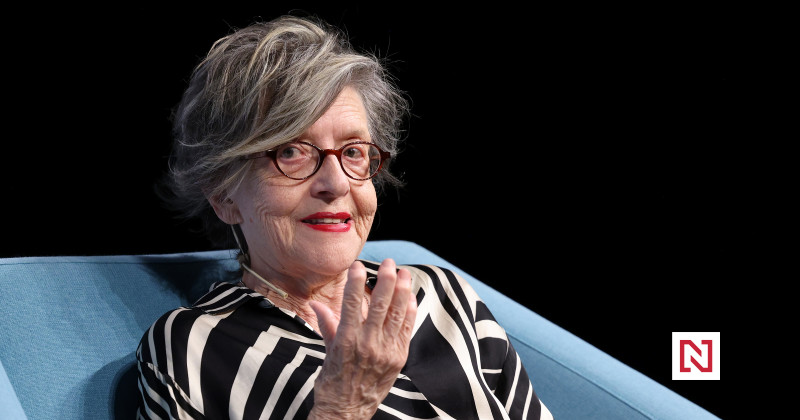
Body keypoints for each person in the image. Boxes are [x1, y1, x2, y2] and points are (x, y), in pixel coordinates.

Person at [136, 15, 553, 419]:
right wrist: (343, 409)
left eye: (353, 151)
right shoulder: (194, 348)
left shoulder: (443, 297)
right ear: (223, 195)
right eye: (291, 152)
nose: (336, 183)